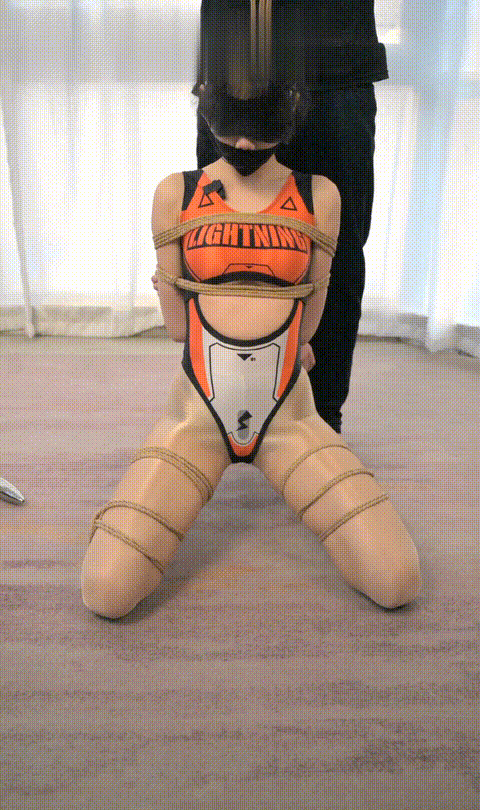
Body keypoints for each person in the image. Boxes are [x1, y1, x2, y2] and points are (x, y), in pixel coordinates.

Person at [80, 72, 421, 619]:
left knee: (397, 579)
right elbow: (178, 329)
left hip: (289, 416)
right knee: (106, 590)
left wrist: (296, 345)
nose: (242, 144)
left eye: (257, 131)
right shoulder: (175, 193)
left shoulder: (320, 195)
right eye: (231, 129)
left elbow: (316, 302)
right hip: (196, 415)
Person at [197, 0, 388, 434]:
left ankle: (319, 418)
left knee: (335, 248)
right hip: (233, 57)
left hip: (334, 60)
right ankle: (228, 409)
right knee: (219, 237)